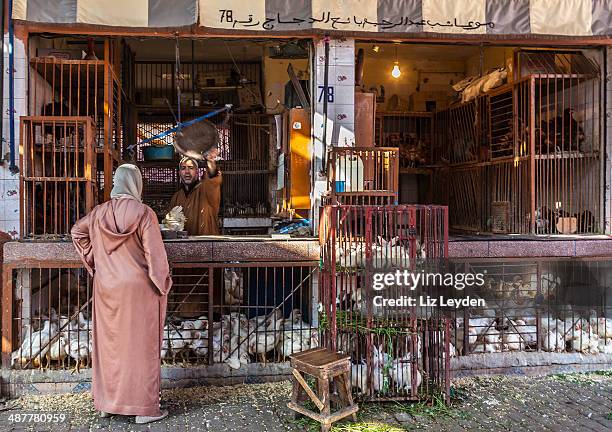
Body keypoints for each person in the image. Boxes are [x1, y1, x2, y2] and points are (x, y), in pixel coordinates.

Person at [71, 164, 172, 424]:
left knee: (110, 346)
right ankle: (143, 410)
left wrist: (96, 260)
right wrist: (162, 283)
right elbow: (155, 255)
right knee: (140, 346)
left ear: (116, 182)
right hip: (140, 289)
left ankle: (107, 404)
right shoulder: (144, 213)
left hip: (106, 288)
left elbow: (77, 232)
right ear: (137, 184)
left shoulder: (98, 213)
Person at [169, 149, 222, 235]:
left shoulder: (205, 189)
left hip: (207, 244)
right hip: (184, 245)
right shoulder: (176, 197)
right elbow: (170, 223)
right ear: (179, 173)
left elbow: (213, 180)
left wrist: (210, 163)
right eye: (183, 168)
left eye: (191, 168)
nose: (186, 172)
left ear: (197, 172)